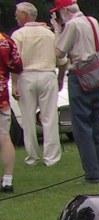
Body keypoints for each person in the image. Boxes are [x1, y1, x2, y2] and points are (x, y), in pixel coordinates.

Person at [53, 0, 99, 183]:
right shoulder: (91, 20)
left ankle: (92, 173)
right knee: (97, 124)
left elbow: (59, 52)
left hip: (80, 75)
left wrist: (57, 29)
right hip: (96, 74)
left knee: (82, 127)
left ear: (65, 10)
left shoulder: (72, 25)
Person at [11, 2, 61, 167]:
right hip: (47, 74)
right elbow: (61, 59)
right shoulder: (49, 34)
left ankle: (32, 156)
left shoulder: (18, 35)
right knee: (50, 117)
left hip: (27, 76)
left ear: (25, 14)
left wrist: (15, 84)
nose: (16, 17)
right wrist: (60, 78)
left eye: (18, 14)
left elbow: (15, 61)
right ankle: (51, 157)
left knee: (27, 118)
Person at [0, 28, 23, 193]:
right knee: (4, 136)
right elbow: (17, 65)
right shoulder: (6, 41)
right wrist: (14, 85)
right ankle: (7, 180)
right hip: (1, 97)